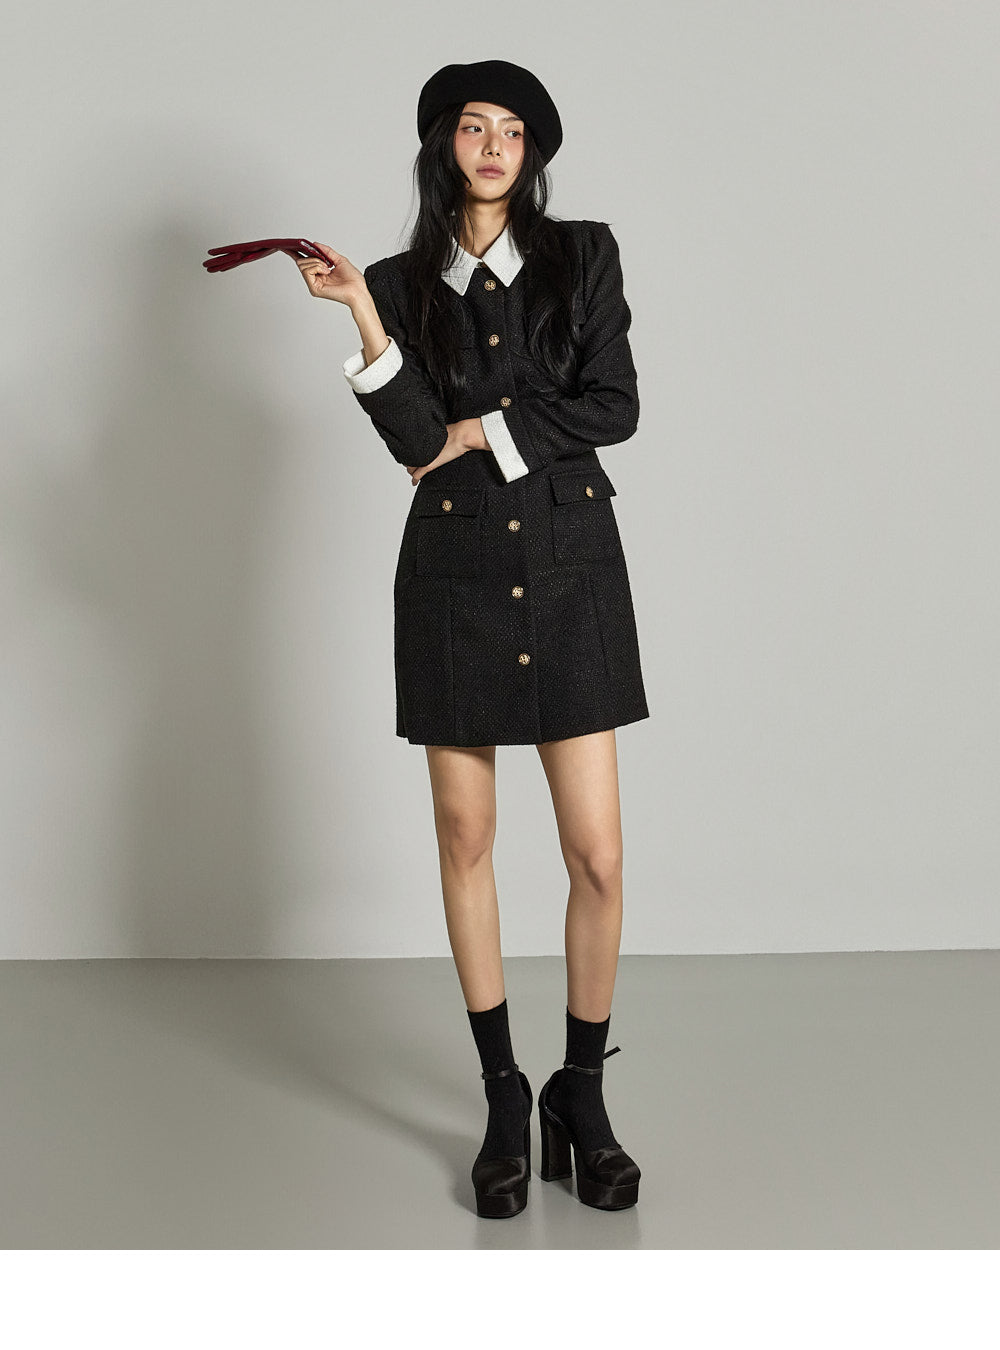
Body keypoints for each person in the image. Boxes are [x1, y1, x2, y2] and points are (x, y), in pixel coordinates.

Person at [293, 60, 647, 1217]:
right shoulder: (402, 281)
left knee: (597, 855)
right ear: (443, 146)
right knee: (465, 837)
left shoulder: (580, 255)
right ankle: (503, 1095)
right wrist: (361, 309)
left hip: (570, 568)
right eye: (471, 127)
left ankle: (580, 1093)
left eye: (511, 131)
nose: (492, 145)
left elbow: (613, 404)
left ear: (531, 153)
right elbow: (411, 442)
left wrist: (484, 427)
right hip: (453, 576)